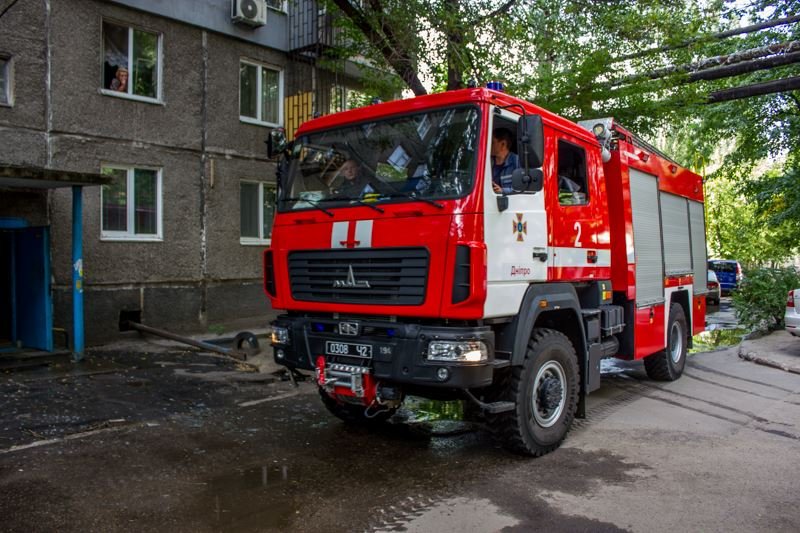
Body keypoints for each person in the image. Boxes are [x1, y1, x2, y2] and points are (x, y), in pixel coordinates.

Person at [491, 128, 520, 194]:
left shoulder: (517, 161)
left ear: (503, 144)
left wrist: (502, 191)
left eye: (492, 142)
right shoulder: (487, 161)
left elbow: (523, 189)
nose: (488, 144)